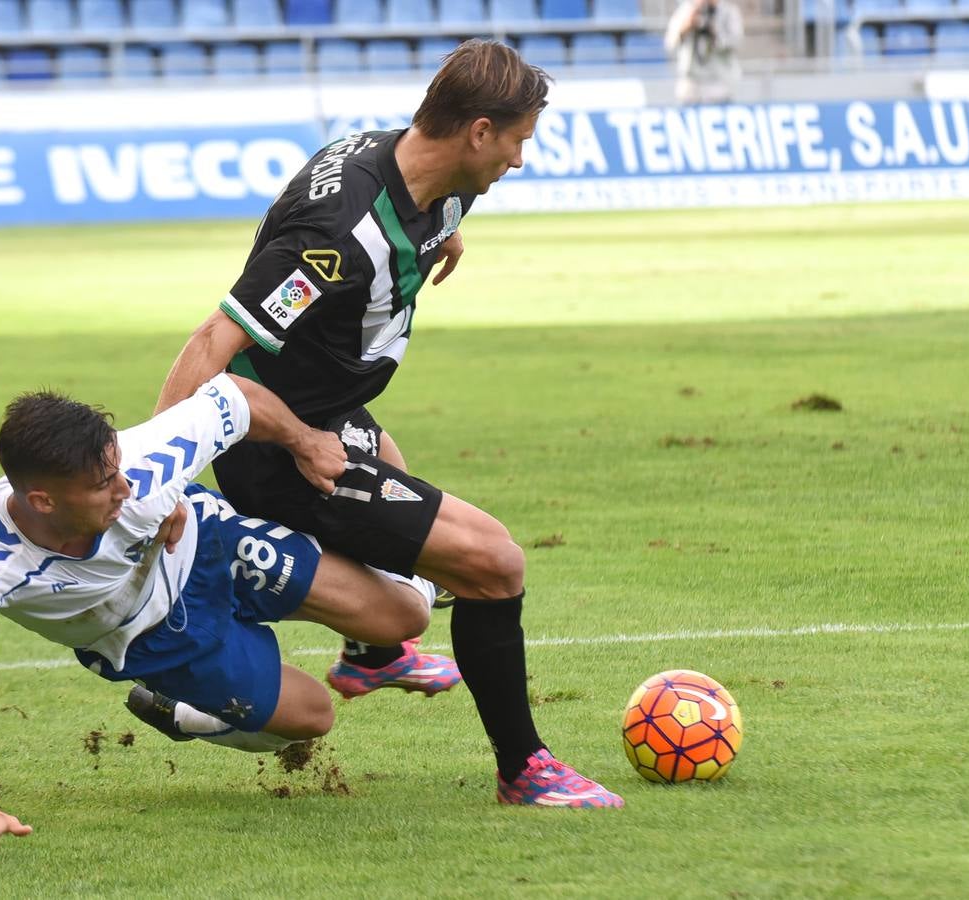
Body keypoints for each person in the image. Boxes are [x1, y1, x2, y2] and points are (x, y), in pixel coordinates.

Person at [144, 39, 624, 809]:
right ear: (476, 132)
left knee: (402, 499)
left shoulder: (410, 164)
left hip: (336, 410)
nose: (521, 160)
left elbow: (421, 211)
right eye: (517, 142)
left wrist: (447, 229)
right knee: (492, 564)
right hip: (287, 445)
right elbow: (213, 342)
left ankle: (371, 653)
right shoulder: (334, 237)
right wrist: (154, 481)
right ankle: (524, 769)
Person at [0, 374, 439, 865]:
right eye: (105, 484)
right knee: (311, 717)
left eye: (119, 469)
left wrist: (304, 441)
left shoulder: (139, 465)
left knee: (402, 617)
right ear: (43, 501)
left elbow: (237, 397)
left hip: (210, 546)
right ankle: (182, 713)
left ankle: (422, 594)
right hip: (149, 638)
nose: (125, 489)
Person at [664, 0, 744, 105]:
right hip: (691, 84)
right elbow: (670, 43)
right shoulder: (686, 10)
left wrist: (715, 33)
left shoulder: (728, 11)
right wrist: (686, 26)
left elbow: (736, 43)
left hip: (719, 83)